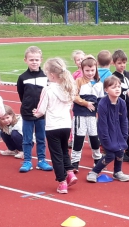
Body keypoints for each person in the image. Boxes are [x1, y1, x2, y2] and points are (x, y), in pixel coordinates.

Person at [33, 58, 78, 194]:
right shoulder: (68, 88)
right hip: (65, 124)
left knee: (56, 155)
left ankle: (62, 182)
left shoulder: (48, 89)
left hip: (53, 126)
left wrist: (36, 113)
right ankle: (70, 173)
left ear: (51, 75)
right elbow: (70, 105)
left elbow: (41, 109)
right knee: (64, 150)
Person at [86, 75, 129, 183]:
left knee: (120, 151)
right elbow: (103, 124)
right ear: (106, 90)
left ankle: (117, 172)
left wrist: (125, 135)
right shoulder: (103, 104)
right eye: (113, 87)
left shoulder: (122, 103)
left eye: (119, 87)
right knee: (110, 154)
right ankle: (94, 171)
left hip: (119, 133)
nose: (117, 89)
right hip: (106, 133)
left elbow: (124, 120)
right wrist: (105, 139)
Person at [16, 46, 53, 173]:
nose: (34, 62)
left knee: (41, 138)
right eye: (31, 59)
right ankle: (27, 161)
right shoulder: (22, 78)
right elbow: (21, 95)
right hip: (27, 113)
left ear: (41, 60)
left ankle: (41, 160)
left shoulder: (46, 77)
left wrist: (41, 109)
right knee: (27, 139)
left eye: (36, 59)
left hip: (41, 114)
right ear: (25, 60)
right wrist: (28, 106)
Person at [71, 55, 104, 173]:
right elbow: (73, 96)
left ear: (96, 69)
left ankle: (97, 159)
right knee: (78, 139)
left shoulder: (99, 83)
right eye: (87, 70)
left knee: (94, 138)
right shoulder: (78, 81)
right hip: (80, 115)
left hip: (92, 117)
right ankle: (74, 162)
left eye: (92, 70)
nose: (90, 73)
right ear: (82, 70)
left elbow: (101, 100)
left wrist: (101, 112)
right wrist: (85, 103)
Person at [111, 49, 129, 163]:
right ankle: (120, 151)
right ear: (114, 63)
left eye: (124, 63)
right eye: (119, 63)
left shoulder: (128, 74)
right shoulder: (114, 77)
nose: (122, 65)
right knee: (122, 129)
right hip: (120, 108)